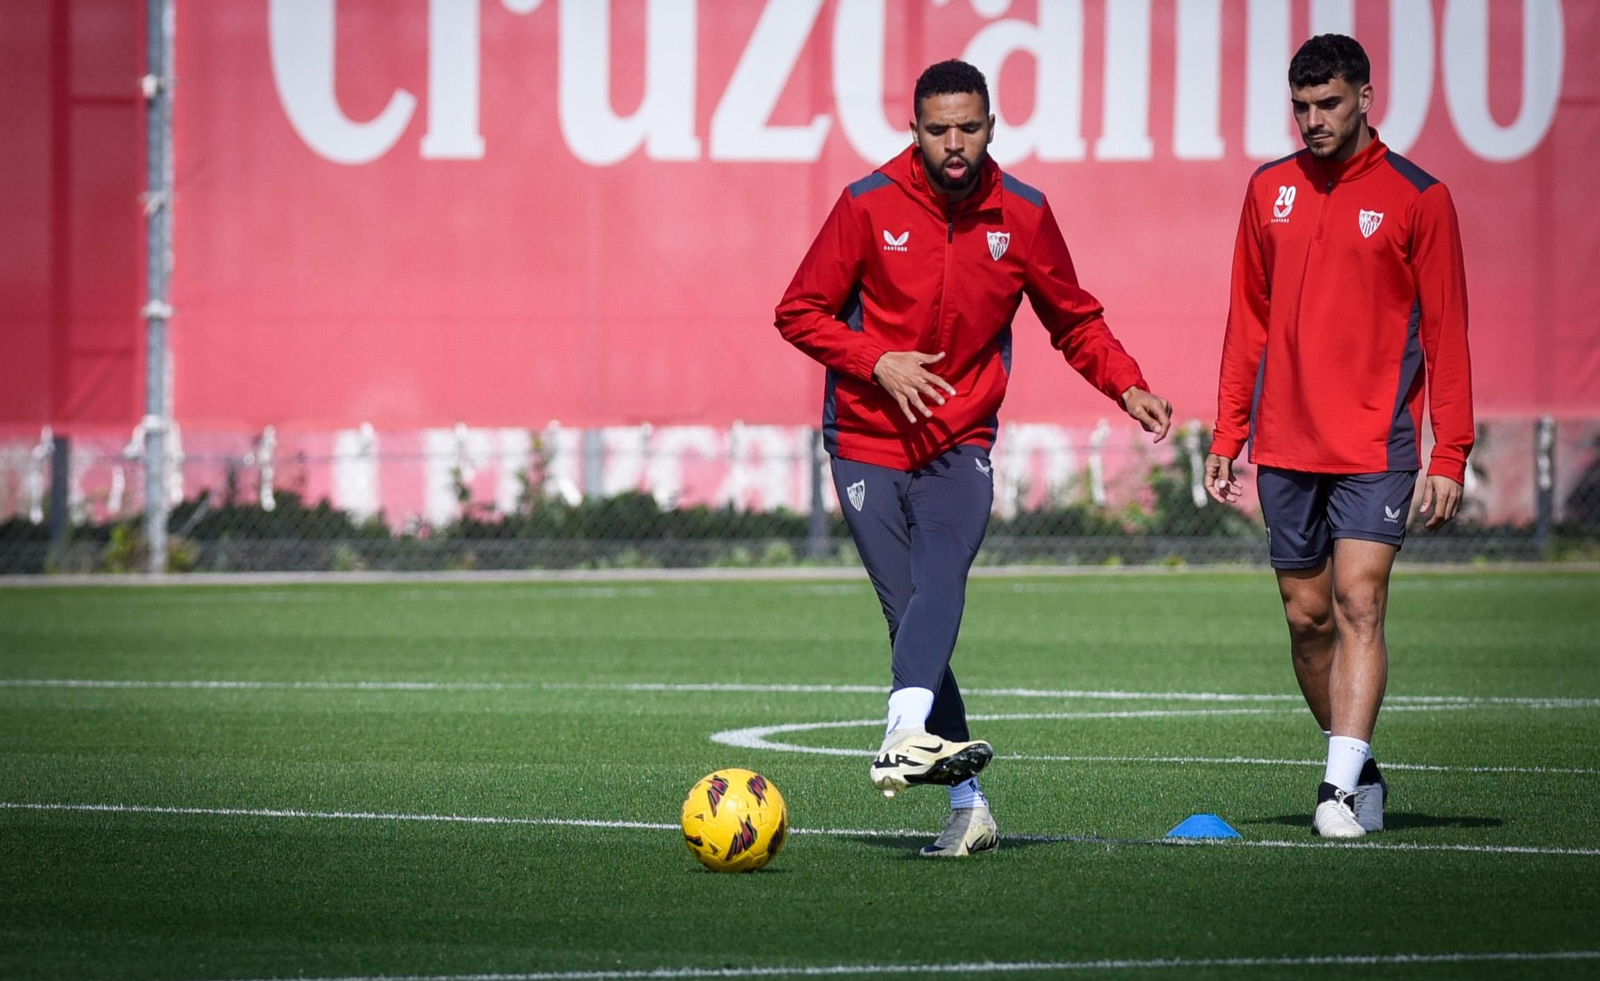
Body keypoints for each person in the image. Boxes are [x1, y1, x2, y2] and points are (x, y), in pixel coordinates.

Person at [774, 60, 1172, 858]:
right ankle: (967, 801)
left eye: (968, 127)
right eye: (937, 129)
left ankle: (900, 731)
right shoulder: (865, 204)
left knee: (942, 577)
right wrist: (876, 360)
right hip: (864, 440)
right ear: (913, 130)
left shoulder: (1022, 214)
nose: (953, 144)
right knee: (909, 613)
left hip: (961, 440)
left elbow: (1074, 319)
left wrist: (1126, 384)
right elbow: (797, 311)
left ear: (991, 125)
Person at [1205, 35, 1473, 838]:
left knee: (1360, 602)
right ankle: (1362, 769)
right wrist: (1228, 431)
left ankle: (1333, 792)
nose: (1315, 120)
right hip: (1285, 443)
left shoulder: (1420, 197)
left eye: (1329, 104)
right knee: (1307, 618)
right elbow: (1246, 320)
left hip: (1376, 445)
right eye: (1302, 106)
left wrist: (1449, 451)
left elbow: (1448, 336)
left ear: (1364, 99)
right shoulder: (1268, 189)